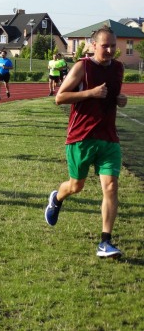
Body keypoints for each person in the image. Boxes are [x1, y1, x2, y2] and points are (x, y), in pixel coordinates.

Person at [44, 26, 128, 259]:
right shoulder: (82, 67)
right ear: (94, 45)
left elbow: (112, 97)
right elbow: (60, 97)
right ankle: (57, 198)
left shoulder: (119, 68)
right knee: (76, 186)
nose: (109, 50)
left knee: (111, 187)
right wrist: (90, 93)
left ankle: (105, 242)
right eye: (105, 46)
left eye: (113, 46)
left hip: (109, 137)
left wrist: (120, 100)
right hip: (81, 137)